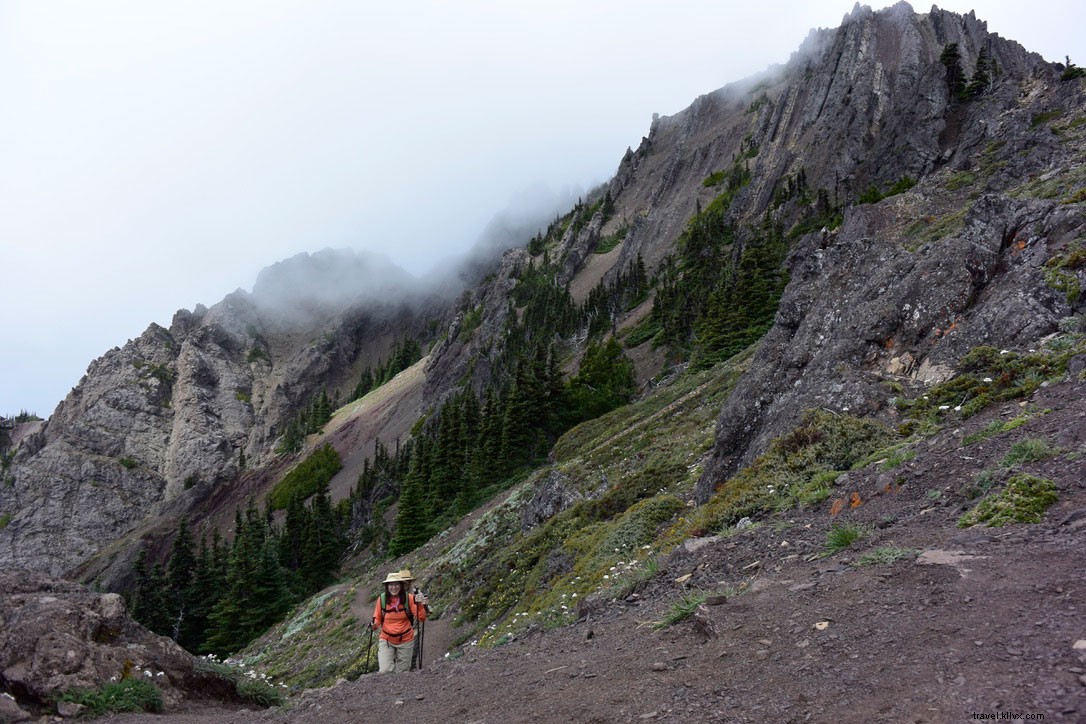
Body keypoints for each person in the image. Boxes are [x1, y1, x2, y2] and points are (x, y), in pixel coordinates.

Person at [372, 569, 428, 673]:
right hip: (386, 639)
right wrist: (373, 625)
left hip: (406, 639)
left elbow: (422, 618)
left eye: (396, 584)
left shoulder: (410, 598)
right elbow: (377, 618)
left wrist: (419, 605)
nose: (394, 587)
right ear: (387, 586)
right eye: (391, 585)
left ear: (401, 585)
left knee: (403, 672)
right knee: (384, 670)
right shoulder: (382, 599)